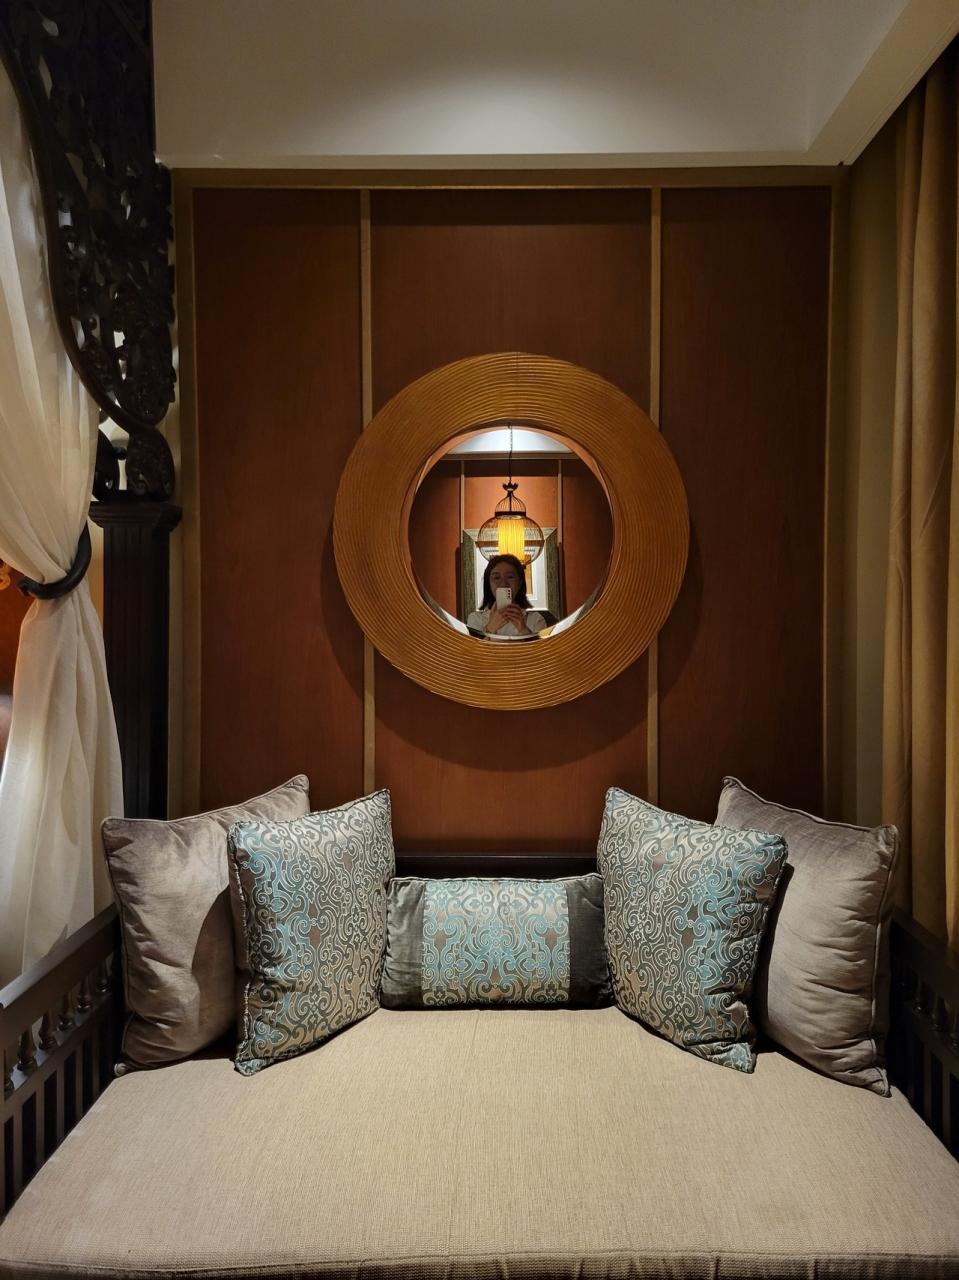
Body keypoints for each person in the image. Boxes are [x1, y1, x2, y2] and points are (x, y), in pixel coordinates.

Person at [466, 554, 547, 639]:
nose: (503, 583)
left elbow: (543, 648)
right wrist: (490, 629)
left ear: (520, 583)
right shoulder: (475, 619)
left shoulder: (536, 619)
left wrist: (524, 630)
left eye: (510, 577)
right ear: (488, 583)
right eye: (496, 577)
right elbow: (471, 648)